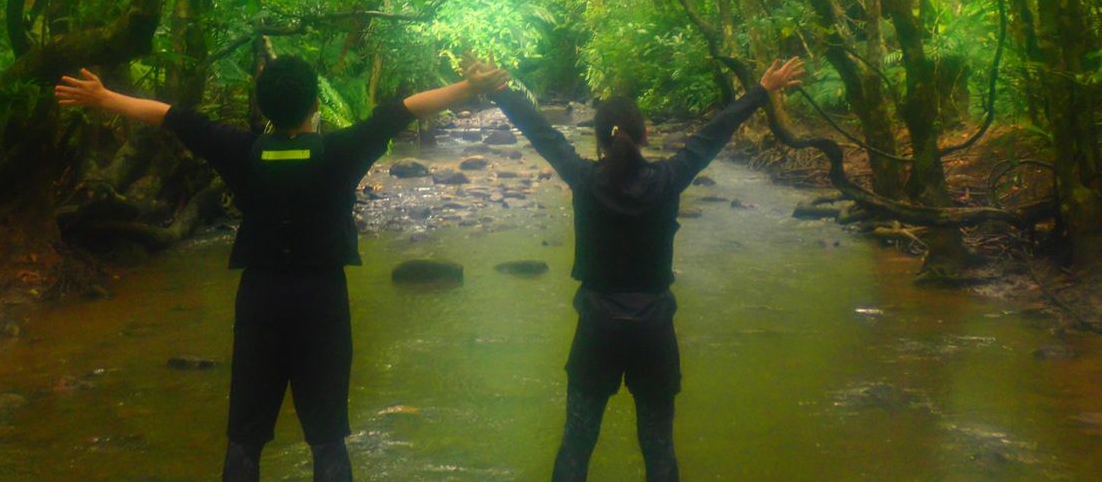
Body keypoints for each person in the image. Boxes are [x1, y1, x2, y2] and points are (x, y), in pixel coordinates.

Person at [55, 56, 507, 482]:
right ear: (315, 103)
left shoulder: (239, 150)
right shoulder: (341, 150)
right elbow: (402, 111)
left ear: (263, 106)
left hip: (260, 299)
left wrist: (104, 97)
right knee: (327, 436)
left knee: (245, 436)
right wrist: (470, 87)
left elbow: (174, 117)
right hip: (322, 301)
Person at [478, 57, 804, 482]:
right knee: (658, 446)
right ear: (646, 135)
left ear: (599, 140)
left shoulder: (584, 177)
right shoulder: (668, 178)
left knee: (577, 443)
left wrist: (500, 91)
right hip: (653, 328)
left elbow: (543, 134)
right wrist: (761, 90)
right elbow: (711, 136)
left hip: (598, 326)